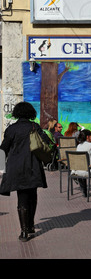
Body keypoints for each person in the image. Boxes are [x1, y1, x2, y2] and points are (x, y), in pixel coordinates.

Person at [0, 102, 52, 242]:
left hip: (16, 168)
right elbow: (47, 142)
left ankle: (24, 232)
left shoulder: (11, 129)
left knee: (22, 197)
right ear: (30, 113)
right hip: (33, 166)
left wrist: (0, 168)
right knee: (32, 196)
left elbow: (3, 148)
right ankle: (30, 226)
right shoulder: (34, 127)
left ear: (17, 113)